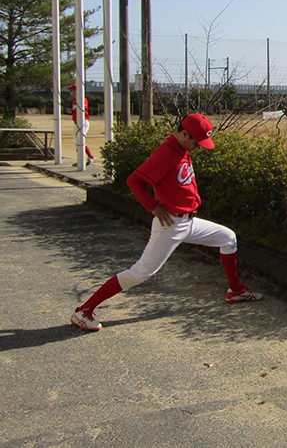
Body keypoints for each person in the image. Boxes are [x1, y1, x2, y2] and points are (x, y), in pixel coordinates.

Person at [70, 114, 262, 332]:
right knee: (140, 273)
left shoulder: (181, 148)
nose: (198, 147)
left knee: (228, 238)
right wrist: (153, 207)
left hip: (189, 222)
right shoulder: (166, 153)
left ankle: (236, 291)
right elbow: (134, 181)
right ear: (183, 133)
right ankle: (83, 311)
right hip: (170, 225)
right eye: (196, 142)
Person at [68, 83, 95, 166]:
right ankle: (80, 159)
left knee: (80, 141)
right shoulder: (75, 100)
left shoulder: (82, 99)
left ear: (76, 91)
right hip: (77, 123)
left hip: (83, 122)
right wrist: (71, 111)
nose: (70, 92)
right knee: (77, 142)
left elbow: (83, 109)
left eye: (72, 90)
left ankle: (90, 157)